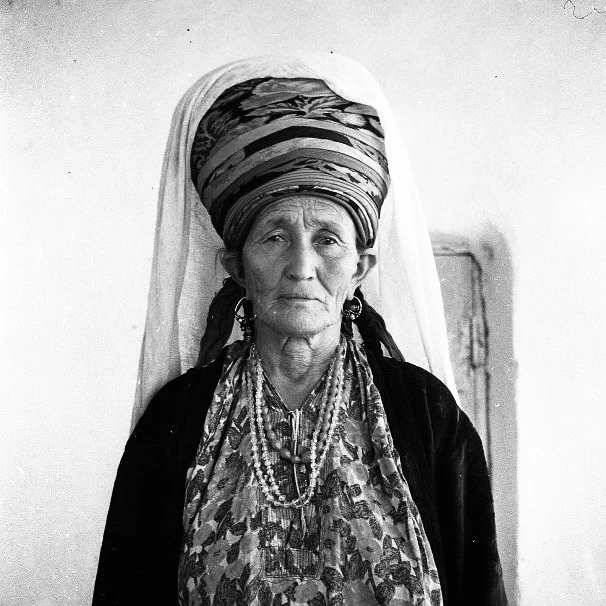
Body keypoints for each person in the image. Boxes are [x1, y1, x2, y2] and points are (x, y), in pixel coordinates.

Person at [93, 55, 507, 606]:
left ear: (360, 269)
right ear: (237, 267)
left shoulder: (426, 414)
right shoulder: (176, 420)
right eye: (275, 237)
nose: (302, 267)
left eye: (327, 240)